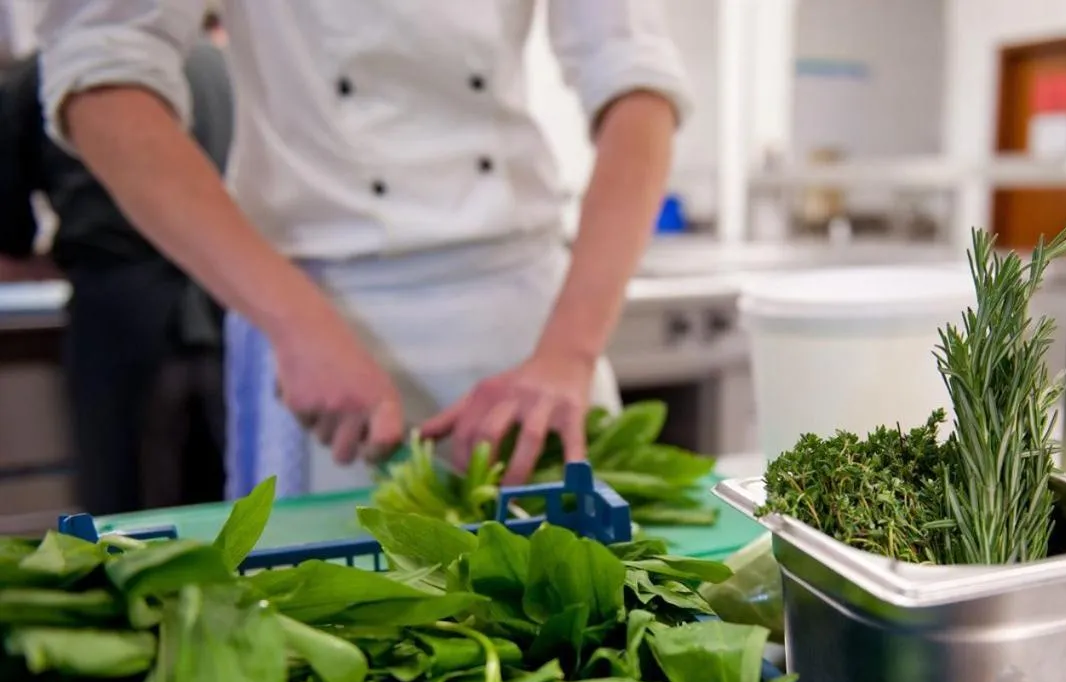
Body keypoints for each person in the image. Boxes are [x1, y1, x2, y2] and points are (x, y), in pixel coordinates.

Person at [35, 1, 690, 498]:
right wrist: (294, 319)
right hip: (318, 335)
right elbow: (102, 70)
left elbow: (636, 79)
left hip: (528, 324)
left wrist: (568, 352)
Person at [0, 37, 234, 514]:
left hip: (119, 312)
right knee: (233, 505)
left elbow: (8, 226)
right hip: (229, 303)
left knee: (124, 513)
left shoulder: (57, 69)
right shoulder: (220, 66)